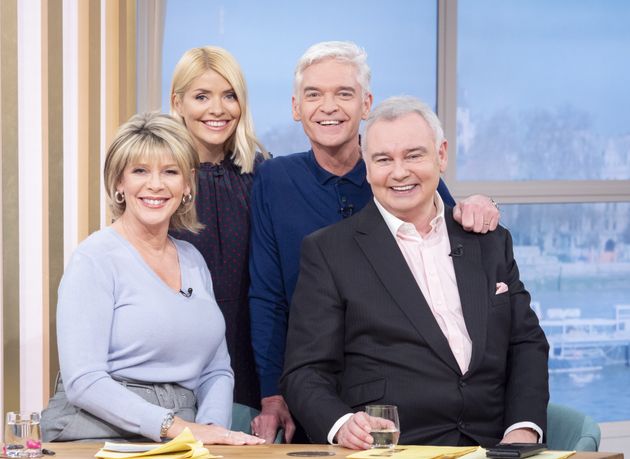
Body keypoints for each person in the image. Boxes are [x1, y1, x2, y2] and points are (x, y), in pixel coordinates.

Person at [249, 41, 501, 444]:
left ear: (366, 104)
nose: (328, 106)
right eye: (314, 94)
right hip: (312, 377)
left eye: (343, 94)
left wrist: (482, 204)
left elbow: (450, 232)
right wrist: (271, 391)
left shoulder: (398, 177)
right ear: (296, 108)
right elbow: (267, 295)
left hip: (396, 386)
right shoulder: (274, 180)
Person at [281, 96, 549, 448]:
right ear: (367, 165)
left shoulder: (489, 240)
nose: (399, 172)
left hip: (497, 445)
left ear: (441, 154)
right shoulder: (329, 251)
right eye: (383, 159)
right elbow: (304, 372)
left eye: (413, 155)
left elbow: (526, 342)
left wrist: (523, 429)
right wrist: (343, 424)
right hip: (393, 446)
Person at [41, 112, 264, 445]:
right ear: (119, 183)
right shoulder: (94, 258)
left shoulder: (193, 260)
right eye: (140, 171)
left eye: (170, 172)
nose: (156, 185)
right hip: (101, 430)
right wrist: (178, 428)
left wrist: (213, 433)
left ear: (187, 184)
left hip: (184, 434)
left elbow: (216, 370)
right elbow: (84, 381)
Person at [170, 46, 269, 410]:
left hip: (251, 344)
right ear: (177, 103)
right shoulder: (158, 181)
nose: (218, 109)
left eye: (229, 96)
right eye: (202, 96)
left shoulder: (261, 173)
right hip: (180, 352)